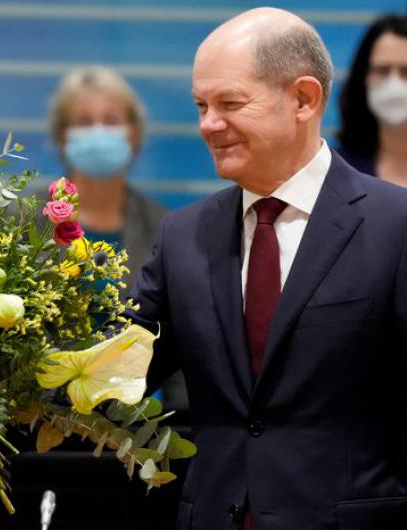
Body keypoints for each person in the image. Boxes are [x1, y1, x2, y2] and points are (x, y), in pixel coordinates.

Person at [128, 7, 407, 530]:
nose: (209, 124)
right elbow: (108, 376)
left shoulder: (396, 226)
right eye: (201, 105)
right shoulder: (183, 235)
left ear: (304, 99)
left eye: (230, 103)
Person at [46, 66, 188, 412]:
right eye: (83, 121)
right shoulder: (21, 223)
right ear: (63, 136)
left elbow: (180, 350)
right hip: (30, 426)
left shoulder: (166, 229)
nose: (98, 131)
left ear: (134, 134)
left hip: (131, 434)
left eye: (111, 120)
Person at [337, 14, 407, 185]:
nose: (394, 84)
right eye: (382, 70)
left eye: (406, 71)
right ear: (364, 77)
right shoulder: (338, 171)